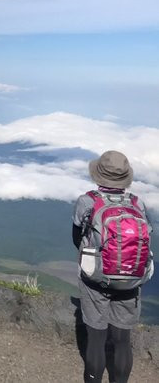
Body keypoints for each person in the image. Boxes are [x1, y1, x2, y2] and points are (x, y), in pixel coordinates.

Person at [72, 150, 151, 383]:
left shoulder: (87, 201)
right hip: (130, 281)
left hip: (95, 279)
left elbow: (77, 239)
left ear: (98, 175)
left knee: (96, 339)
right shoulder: (138, 204)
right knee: (122, 340)